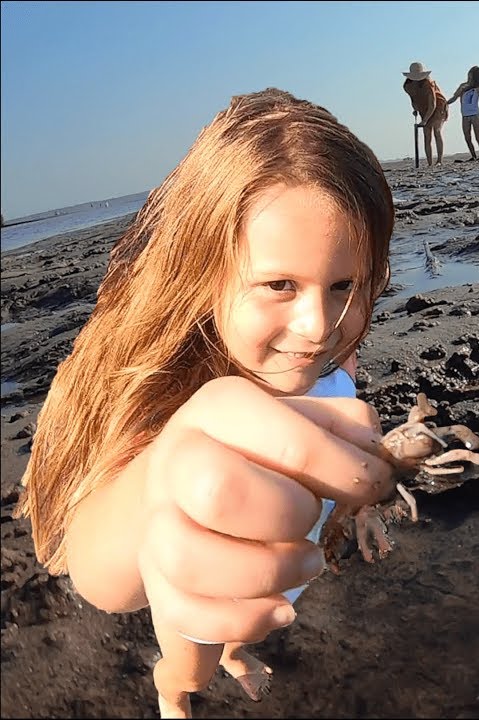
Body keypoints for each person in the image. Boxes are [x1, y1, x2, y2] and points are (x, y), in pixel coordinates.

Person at [17, 88, 399, 718]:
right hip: (191, 581)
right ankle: (174, 692)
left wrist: (360, 509)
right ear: (207, 274)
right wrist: (163, 472)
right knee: (194, 654)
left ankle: (237, 652)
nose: (317, 325)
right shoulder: (174, 402)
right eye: (280, 284)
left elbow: (349, 424)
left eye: (343, 285)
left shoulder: (332, 357)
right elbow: (100, 567)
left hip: (283, 566)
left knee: (254, 615)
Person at [403, 61, 448, 166]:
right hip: (423, 107)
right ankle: (429, 163)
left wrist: (424, 120)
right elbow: (413, 99)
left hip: (438, 106)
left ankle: (439, 161)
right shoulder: (407, 85)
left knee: (436, 131)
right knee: (427, 135)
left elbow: (433, 104)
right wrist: (415, 109)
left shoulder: (428, 84)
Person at [446, 65, 479, 160]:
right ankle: (473, 156)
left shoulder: (478, 88)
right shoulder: (463, 86)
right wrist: (446, 103)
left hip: (475, 115)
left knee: (478, 136)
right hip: (465, 115)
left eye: (471, 76)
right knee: (467, 137)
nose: (469, 77)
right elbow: (454, 97)